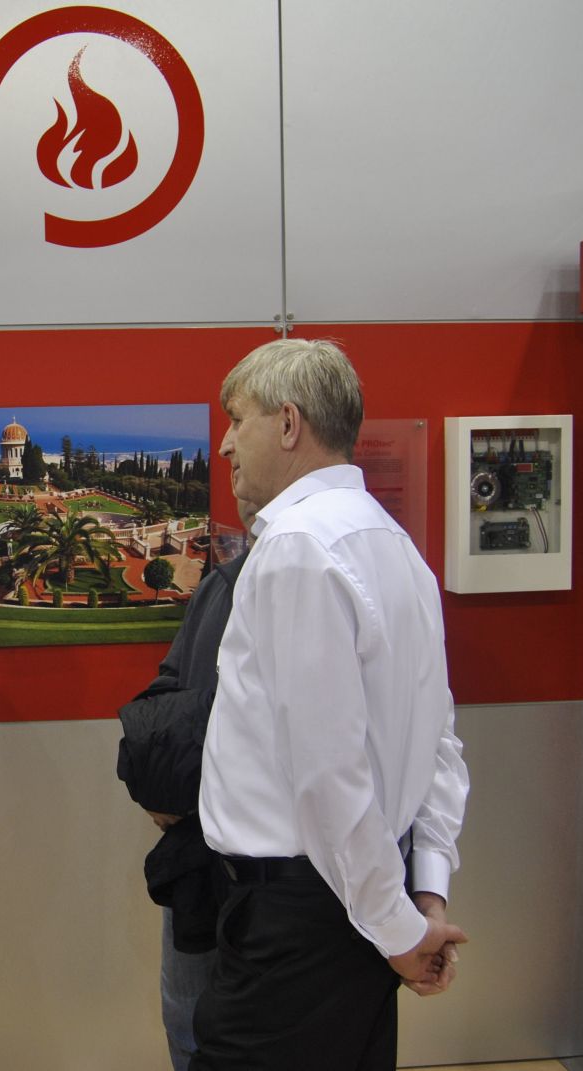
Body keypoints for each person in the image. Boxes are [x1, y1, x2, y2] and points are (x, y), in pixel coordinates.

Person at [192, 339, 471, 1070]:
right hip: (362, 905)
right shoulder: (395, 545)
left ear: (289, 424)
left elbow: (328, 774)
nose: (225, 444)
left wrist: (398, 931)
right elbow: (440, 744)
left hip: (300, 924)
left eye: (238, 419)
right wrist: (425, 894)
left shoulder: (298, 549)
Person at [116, 498, 257, 1070]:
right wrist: (160, 782)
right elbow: (169, 688)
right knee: (189, 1015)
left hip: (277, 869)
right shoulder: (222, 586)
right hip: (200, 852)